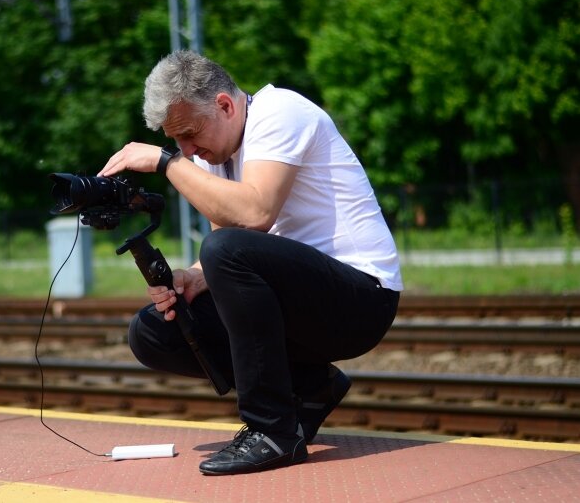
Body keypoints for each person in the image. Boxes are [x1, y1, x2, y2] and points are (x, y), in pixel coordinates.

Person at [98, 49, 402, 476]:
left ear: (224, 105)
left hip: (362, 299)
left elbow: (255, 215)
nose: (188, 150)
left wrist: (167, 164)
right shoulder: (218, 155)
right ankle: (311, 386)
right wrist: (190, 280)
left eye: (189, 134)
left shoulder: (280, 111)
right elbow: (230, 246)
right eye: (175, 142)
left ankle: (273, 431)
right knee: (153, 330)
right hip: (302, 304)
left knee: (225, 251)